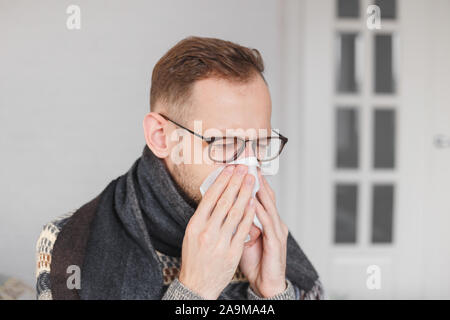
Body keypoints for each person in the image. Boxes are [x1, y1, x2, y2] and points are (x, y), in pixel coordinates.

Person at [35, 36, 324, 300]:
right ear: (161, 137)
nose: (248, 169)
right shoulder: (68, 242)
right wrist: (194, 291)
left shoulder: (265, 241)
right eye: (224, 143)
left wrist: (273, 293)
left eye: (260, 144)